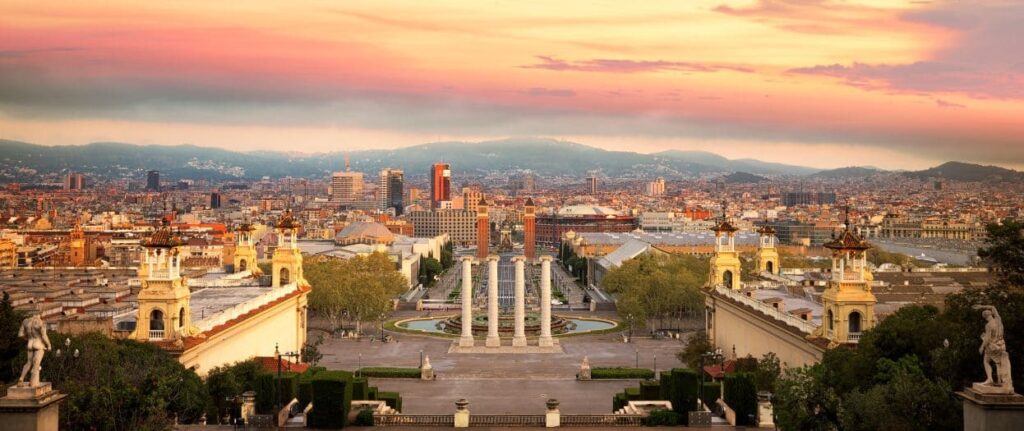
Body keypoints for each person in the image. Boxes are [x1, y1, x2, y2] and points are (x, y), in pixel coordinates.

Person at [974, 304, 1014, 391]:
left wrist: (982, 347)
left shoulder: (988, 325)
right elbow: (993, 307)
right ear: (991, 314)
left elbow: (987, 338)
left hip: (993, 347)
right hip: (1001, 345)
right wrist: (981, 306)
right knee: (998, 363)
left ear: (985, 317)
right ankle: (1000, 381)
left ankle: (990, 379)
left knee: (986, 361)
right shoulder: (998, 320)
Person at [18, 313, 51, 387]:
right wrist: (49, 345)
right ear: (40, 314)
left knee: (28, 363)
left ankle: (21, 378)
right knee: (36, 364)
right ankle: (33, 383)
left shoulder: (25, 321)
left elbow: (20, 335)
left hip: (30, 344)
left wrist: (27, 338)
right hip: (38, 344)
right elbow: (44, 336)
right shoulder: (41, 322)